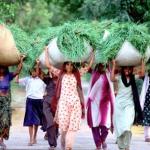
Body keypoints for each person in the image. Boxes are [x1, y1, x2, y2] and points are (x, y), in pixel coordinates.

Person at [45, 47, 94, 150]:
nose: (70, 66)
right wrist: (46, 51)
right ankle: (64, 143)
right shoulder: (60, 74)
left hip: (75, 103)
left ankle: (69, 146)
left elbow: (89, 66)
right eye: (68, 64)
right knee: (64, 127)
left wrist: (92, 53)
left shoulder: (77, 74)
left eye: (71, 64)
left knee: (72, 126)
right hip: (63, 103)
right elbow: (48, 65)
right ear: (64, 65)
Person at [111, 60, 144, 150]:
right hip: (119, 105)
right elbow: (112, 79)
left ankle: (127, 145)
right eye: (125, 68)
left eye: (129, 69)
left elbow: (142, 74)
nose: (127, 70)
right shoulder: (119, 77)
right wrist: (114, 65)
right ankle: (123, 146)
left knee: (127, 126)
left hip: (129, 104)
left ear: (131, 70)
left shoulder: (133, 78)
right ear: (122, 69)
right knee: (119, 126)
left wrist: (142, 62)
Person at [16, 59, 46, 146]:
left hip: (39, 101)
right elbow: (17, 81)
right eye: (32, 71)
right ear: (30, 72)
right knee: (30, 121)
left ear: (38, 72)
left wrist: (37, 64)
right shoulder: (27, 79)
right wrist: (18, 72)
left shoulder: (42, 79)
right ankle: (31, 139)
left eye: (35, 71)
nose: (34, 73)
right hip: (30, 101)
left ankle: (35, 136)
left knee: (36, 121)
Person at [87, 63, 115, 150]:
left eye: (103, 66)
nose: (102, 67)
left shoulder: (109, 74)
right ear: (97, 66)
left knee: (105, 125)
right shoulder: (94, 74)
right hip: (94, 103)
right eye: (100, 66)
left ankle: (103, 139)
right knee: (94, 125)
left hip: (105, 104)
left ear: (106, 66)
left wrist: (113, 64)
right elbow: (87, 67)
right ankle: (98, 144)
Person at [0, 56, 24, 149]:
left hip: (5, 102)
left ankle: (1, 140)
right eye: (0, 67)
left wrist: (21, 61)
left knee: (5, 121)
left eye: (3, 67)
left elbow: (17, 71)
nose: (2, 69)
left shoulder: (8, 76)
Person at [42, 71, 59, 149]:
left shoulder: (62, 81)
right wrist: (38, 65)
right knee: (50, 122)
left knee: (55, 124)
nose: (54, 73)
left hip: (57, 105)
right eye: (53, 72)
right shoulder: (48, 80)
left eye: (56, 71)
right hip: (47, 104)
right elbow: (40, 75)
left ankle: (54, 139)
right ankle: (52, 144)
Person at [140, 63, 150, 142]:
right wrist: (143, 63)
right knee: (146, 118)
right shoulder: (147, 76)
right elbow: (142, 74)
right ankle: (147, 136)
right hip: (147, 100)